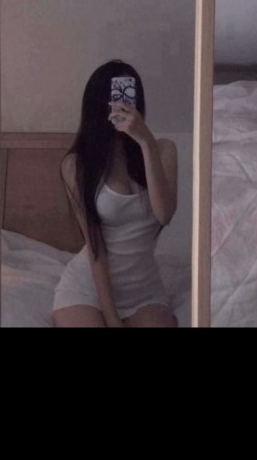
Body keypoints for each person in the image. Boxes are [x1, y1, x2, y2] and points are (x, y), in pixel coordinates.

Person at [52, 60, 178, 328]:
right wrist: (111, 317)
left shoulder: (163, 150)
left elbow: (164, 214)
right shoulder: (77, 165)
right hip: (88, 289)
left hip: (144, 291)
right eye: (113, 98)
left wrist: (145, 141)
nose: (122, 105)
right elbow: (95, 247)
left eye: (129, 96)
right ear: (98, 105)